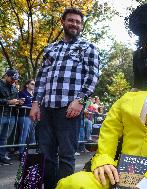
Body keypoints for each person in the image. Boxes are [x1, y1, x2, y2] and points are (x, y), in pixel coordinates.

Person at [29, 8, 99, 189]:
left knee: (67, 155)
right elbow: (42, 77)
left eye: (78, 22)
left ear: (81, 25)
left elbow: (92, 77)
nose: (74, 24)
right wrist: (35, 104)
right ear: (63, 22)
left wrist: (80, 101)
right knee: (46, 154)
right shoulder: (51, 48)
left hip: (69, 108)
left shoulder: (88, 48)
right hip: (46, 108)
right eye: (71, 20)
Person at [0, 69, 22, 165]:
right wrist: (8, 102)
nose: (14, 81)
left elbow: (16, 99)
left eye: (15, 79)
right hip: (1, 114)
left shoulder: (14, 87)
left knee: (5, 138)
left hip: (11, 115)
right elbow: (7, 101)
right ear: (6, 76)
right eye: (12, 78)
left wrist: (19, 102)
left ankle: (2, 156)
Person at [18, 79, 36, 158]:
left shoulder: (34, 94)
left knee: (32, 135)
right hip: (24, 116)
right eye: (32, 84)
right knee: (23, 135)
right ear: (27, 85)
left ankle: (31, 153)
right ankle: (21, 153)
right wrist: (32, 105)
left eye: (34, 84)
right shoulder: (22, 93)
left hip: (32, 117)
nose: (33, 85)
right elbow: (21, 103)